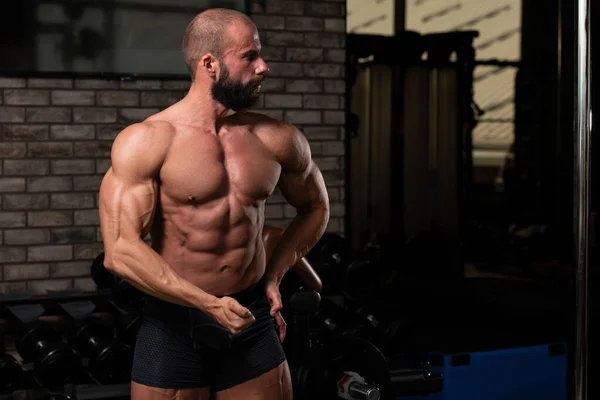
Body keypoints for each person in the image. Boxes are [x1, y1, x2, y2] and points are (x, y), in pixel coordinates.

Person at [98, 7, 330, 400]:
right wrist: (208, 304)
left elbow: (316, 208)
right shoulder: (149, 140)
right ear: (210, 63)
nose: (263, 66)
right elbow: (120, 251)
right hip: (175, 323)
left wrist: (274, 274)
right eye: (250, 55)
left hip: (250, 316)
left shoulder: (277, 138)